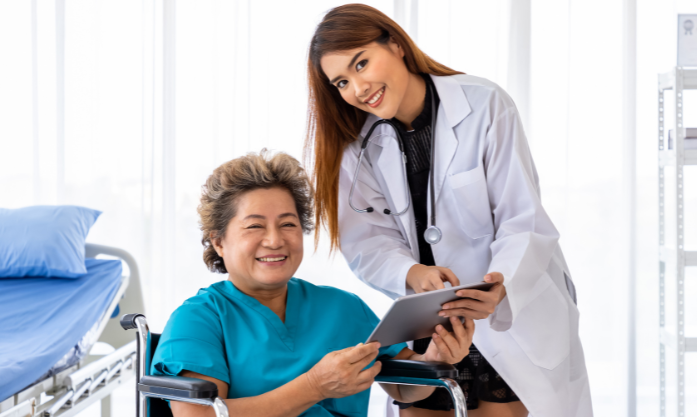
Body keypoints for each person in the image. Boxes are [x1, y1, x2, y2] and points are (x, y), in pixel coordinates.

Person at [305, 4, 593, 417]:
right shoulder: (359, 147)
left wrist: (500, 285)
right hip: (433, 325)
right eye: (342, 82)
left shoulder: (484, 105)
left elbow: (522, 218)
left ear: (397, 44)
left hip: (509, 316)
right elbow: (366, 241)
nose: (358, 88)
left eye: (362, 63)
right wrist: (412, 272)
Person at [150, 150, 475, 417]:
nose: (275, 240)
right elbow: (202, 416)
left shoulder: (343, 308)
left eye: (288, 224)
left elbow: (405, 388)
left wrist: (438, 356)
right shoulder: (199, 318)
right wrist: (314, 387)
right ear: (219, 242)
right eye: (255, 227)